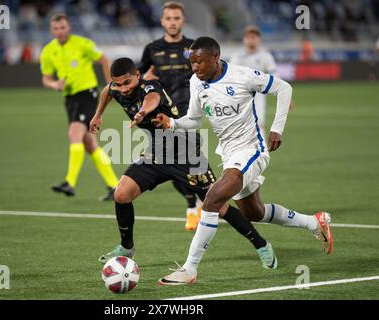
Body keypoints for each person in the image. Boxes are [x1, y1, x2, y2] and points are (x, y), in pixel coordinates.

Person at [154, 37, 333, 285]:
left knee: (213, 198)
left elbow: (284, 88)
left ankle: (189, 269)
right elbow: (194, 120)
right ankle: (315, 222)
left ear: (215, 57)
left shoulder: (242, 75)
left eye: (199, 62)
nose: (195, 68)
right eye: (192, 62)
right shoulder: (197, 82)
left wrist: (277, 128)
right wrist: (172, 123)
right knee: (254, 212)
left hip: (252, 150)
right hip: (228, 154)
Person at [90, 57, 278, 269]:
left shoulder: (151, 87)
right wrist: (98, 115)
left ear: (137, 75)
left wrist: (143, 111)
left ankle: (261, 245)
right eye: (118, 84)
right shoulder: (115, 87)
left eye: (127, 83)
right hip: (157, 154)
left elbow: (152, 99)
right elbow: (107, 90)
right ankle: (127, 247)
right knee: (121, 194)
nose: (123, 89)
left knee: (220, 207)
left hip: (187, 154)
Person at [40, 13, 119, 200]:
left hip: (87, 94)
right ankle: (114, 185)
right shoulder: (48, 51)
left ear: (69, 28)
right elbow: (46, 79)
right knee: (89, 143)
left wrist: (111, 86)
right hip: (70, 98)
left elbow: (104, 60)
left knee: (74, 133)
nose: (60, 31)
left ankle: (70, 182)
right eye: (56, 28)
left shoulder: (82, 43)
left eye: (63, 27)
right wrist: (54, 85)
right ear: (51, 30)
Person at [138, 1, 201, 230]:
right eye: (169, 18)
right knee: (171, 165)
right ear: (162, 21)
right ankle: (194, 204)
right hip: (163, 116)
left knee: (191, 162)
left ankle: (196, 206)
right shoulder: (152, 48)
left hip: (189, 113)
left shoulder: (194, 47)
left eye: (176, 18)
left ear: (182, 21)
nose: (173, 22)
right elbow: (139, 77)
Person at [230, 25, 276, 130]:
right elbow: (231, 76)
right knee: (239, 127)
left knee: (259, 125)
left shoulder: (265, 56)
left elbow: (274, 77)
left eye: (254, 37)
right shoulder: (237, 56)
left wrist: (284, 95)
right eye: (248, 37)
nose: (251, 40)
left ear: (259, 39)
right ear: (244, 39)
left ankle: (260, 146)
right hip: (240, 95)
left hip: (259, 94)